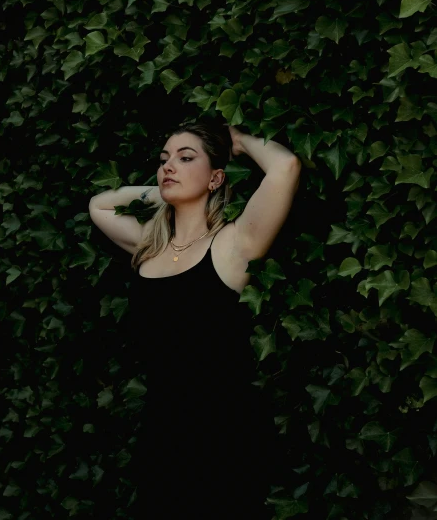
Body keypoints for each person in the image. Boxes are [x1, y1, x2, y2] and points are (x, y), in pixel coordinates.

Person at [89, 117, 302, 519]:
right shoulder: (151, 247)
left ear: (217, 177)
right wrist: (168, 191)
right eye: (164, 159)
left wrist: (239, 140)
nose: (169, 165)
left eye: (186, 158)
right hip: (161, 435)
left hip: (223, 437)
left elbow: (284, 168)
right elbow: (99, 205)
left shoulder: (232, 245)